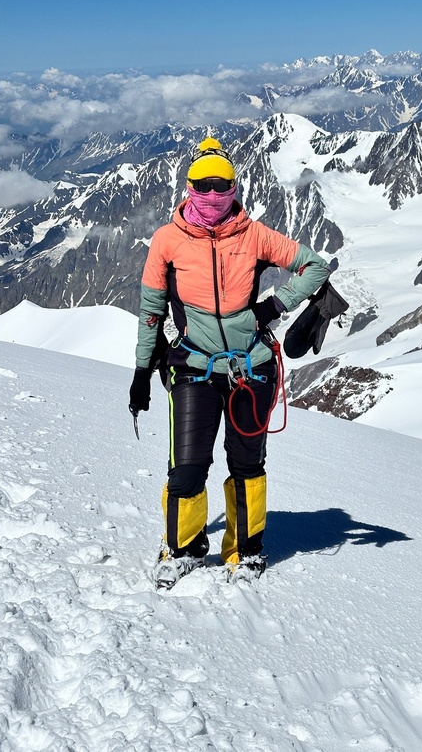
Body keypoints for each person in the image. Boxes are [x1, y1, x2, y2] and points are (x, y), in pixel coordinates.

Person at [128, 138, 330, 589]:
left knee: (246, 464)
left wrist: (275, 306)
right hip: (194, 367)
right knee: (187, 467)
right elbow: (151, 309)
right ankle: (181, 547)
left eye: (224, 185)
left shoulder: (253, 234)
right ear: (189, 186)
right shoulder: (167, 241)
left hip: (251, 367)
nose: (214, 193)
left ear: (235, 187)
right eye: (205, 184)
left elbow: (313, 266)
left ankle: (245, 550)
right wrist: (143, 370)